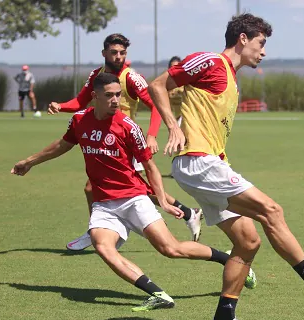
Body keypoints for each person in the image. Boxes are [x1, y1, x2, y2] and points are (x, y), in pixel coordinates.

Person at [148, 13, 304, 320]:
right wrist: (171, 125)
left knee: (247, 242)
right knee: (272, 211)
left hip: (208, 164)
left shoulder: (231, 78)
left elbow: (179, 99)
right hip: (198, 162)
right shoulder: (210, 61)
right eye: (261, 43)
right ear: (243, 38)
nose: (263, 52)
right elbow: (157, 85)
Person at [10, 73, 256, 312]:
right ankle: (158, 294)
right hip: (104, 204)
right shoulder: (79, 120)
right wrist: (30, 161)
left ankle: (227, 259)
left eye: (118, 95)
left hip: (134, 199)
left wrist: (163, 200)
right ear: (95, 96)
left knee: (171, 249)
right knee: (103, 246)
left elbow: (149, 166)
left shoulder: (128, 127)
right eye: (109, 96)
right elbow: (62, 145)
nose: (116, 100)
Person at [47, 34, 203, 248]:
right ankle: (188, 213)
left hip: (126, 141)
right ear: (104, 53)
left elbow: (156, 104)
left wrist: (151, 135)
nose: (119, 56)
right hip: (106, 140)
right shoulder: (97, 75)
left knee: (104, 189)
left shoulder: (131, 77)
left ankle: (98, 230)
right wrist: (61, 105)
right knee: (133, 189)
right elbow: (80, 101)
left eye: (122, 53)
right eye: (114, 52)